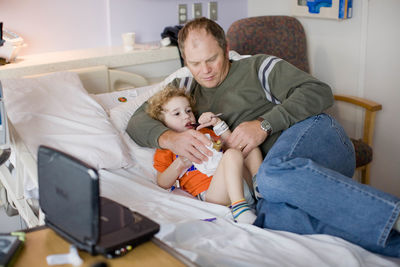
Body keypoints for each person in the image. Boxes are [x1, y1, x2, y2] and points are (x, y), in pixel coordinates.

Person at [127, 17, 400, 257]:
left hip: (317, 135)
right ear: (185, 61)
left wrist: (264, 125)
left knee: (270, 176)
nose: (205, 70)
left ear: (225, 50)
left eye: (212, 59)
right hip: (278, 181)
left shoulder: (257, 67)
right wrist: (170, 139)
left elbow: (319, 91)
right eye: (195, 63)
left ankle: (395, 214)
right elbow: (136, 121)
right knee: (274, 218)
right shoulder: (185, 87)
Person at [146, 84, 263, 224]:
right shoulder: (167, 148)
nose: (186, 117)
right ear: (162, 122)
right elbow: (162, 183)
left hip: (241, 183)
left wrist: (217, 123)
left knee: (249, 148)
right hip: (214, 195)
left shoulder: (205, 132)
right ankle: (239, 208)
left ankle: (262, 189)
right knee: (232, 154)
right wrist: (180, 163)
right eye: (177, 114)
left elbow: (233, 144)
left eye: (188, 111)